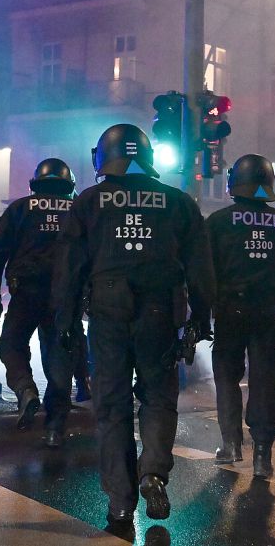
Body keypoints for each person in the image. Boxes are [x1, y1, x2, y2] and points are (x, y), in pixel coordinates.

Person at [52, 124, 214, 525]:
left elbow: (68, 270)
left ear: (103, 157)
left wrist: (65, 321)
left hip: (107, 311)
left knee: (112, 404)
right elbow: (201, 268)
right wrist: (201, 318)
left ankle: (121, 501)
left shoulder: (88, 201)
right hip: (161, 311)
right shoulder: (178, 202)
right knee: (158, 397)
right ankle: (154, 472)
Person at [207, 154, 275, 478]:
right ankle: (262, 455)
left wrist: (205, 309)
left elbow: (202, 271)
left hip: (230, 313)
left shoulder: (219, 222)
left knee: (226, 378)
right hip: (269, 315)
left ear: (233, 184)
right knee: (265, 383)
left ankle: (231, 444)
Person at [0, 158, 79, 446]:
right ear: (69, 184)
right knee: (60, 357)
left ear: (35, 183)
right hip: (65, 297)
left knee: (11, 344)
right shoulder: (79, 211)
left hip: (26, 293)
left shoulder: (19, 209)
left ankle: (25, 389)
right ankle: (54, 429)